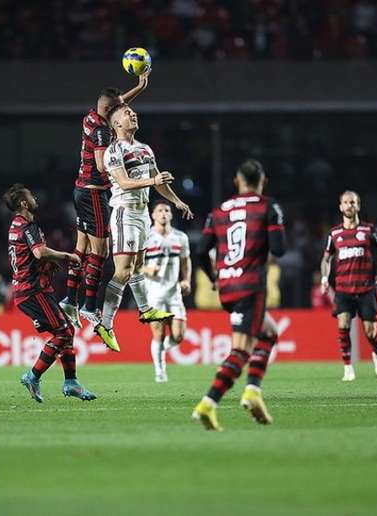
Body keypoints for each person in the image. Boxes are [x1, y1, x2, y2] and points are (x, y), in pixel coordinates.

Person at [193, 159, 286, 431]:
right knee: (240, 351)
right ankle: (208, 404)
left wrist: (213, 279)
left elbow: (200, 251)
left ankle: (253, 392)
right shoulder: (268, 206)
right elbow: (279, 249)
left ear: (237, 181)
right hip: (251, 284)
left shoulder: (219, 211)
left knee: (269, 333)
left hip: (227, 287)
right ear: (263, 181)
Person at [95, 103, 194, 352]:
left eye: (133, 113)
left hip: (142, 214)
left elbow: (158, 180)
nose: (133, 115)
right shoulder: (113, 151)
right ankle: (105, 323)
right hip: (124, 212)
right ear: (117, 123)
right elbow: (124, 182)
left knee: (137, 266)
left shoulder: (145, 148)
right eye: (127, 114)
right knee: (123, 270)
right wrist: (153, 180)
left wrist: (176, 200)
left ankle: (145, 309)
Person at [59, 71, 152, 329]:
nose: (125, 110)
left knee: (81, 249)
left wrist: (139, 87)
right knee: (101, 252)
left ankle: (69, 299)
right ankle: (89, 306)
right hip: (94, 192)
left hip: (79, 190)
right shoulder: (101, 132)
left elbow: (117, 102)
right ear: (111, 112)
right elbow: (101, 165)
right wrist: (121, 175)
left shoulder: (91, 114)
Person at [4, 184, 96, 403]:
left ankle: (71, 382)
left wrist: (48, 262)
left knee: (68, 330)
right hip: (32, 291)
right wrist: (65, 256)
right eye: (30, 196)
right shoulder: (27, 226)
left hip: (30, 290)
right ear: (24, 204)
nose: (35, 197)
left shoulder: (15, 226)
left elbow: (31, 256)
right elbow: (38, 252)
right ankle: (33, 376)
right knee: (63, 332)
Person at [320, 191, 377, 382]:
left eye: (352, 202)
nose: (349, 205)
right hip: (343, 290)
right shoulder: (334, 234)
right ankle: (347, 367)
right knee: (343, 325)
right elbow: (326, 259)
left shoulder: (370, 231)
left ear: (358, 206)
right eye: (345, 202)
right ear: (340, 207)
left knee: (371, 331)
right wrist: (324, 278)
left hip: (367, 289)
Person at [142, 200, 191, 382]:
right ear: (153, 215)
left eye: (167, 210)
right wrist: (147, 270)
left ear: (171, 215)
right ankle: (160, 372)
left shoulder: (180, 237)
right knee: (159, 334)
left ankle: (159, 351)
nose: (163, 213)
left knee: (178, 336)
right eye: (160, 210)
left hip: (174, 292)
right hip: (153, 293)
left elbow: (186, 261)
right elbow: (132, 265)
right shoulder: (145, 237)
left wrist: (186, 279)